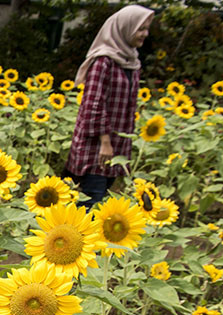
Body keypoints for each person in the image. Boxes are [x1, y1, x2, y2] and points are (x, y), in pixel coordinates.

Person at [66, 5, 154, 208]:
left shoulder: (131, 62)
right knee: (91, 201)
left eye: (147, 28)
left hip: (117, 146)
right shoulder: (103, 62)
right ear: (125, 27)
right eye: (140, 28)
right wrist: (105, 142)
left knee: (101, 200)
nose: (145, 34)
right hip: (98, 147)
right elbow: (93, 104)